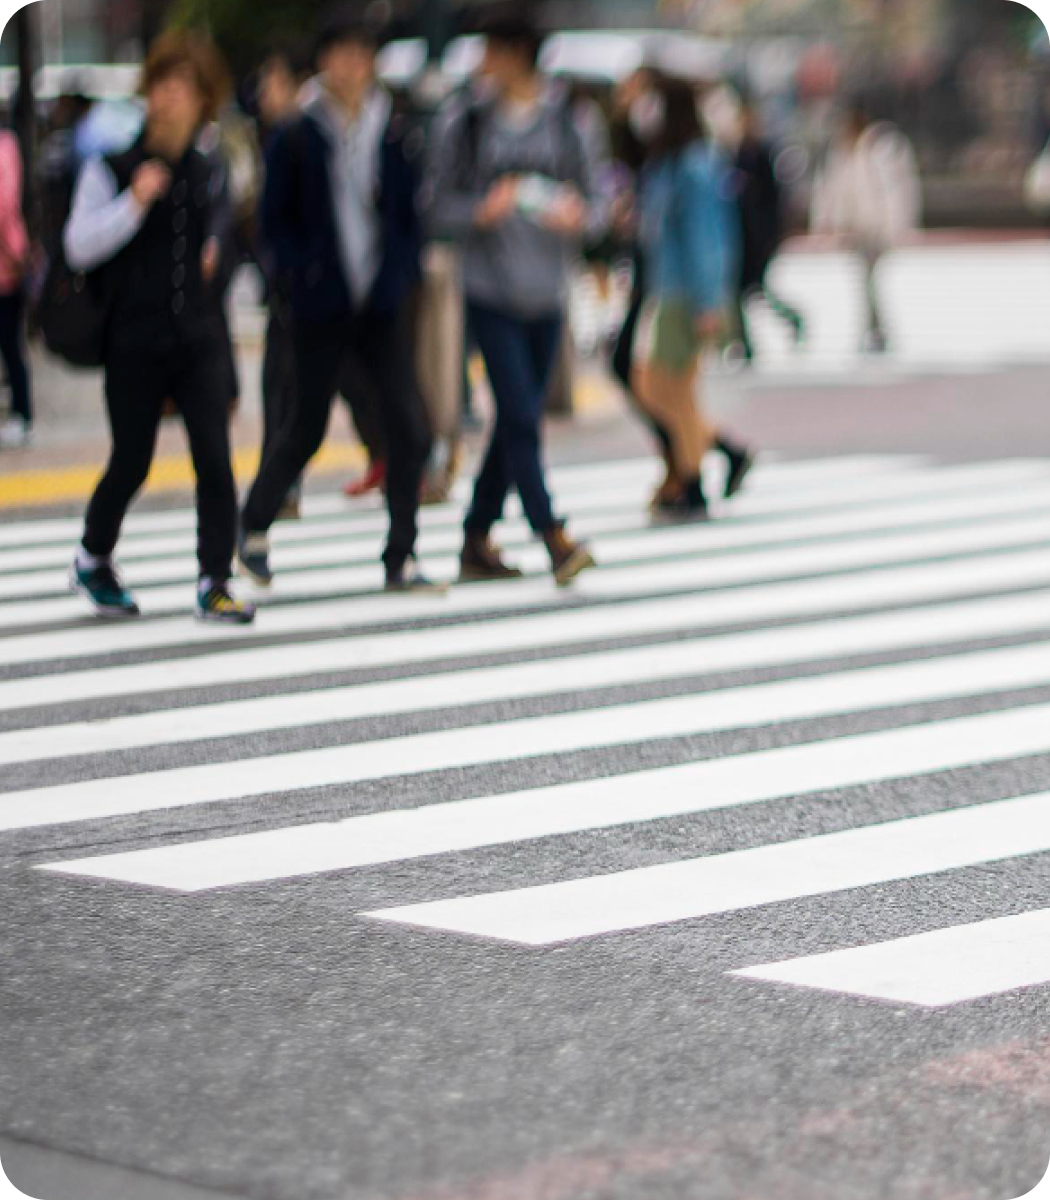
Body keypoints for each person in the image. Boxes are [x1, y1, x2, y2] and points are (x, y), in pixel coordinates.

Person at [238, 7, 437, 594]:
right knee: (306, 425)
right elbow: (271, 226)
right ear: (324, 62)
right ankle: (252, 526)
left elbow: (407, 218)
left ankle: (401, 552)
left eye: (361, 54)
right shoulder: (298, 132)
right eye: (341, 54)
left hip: (379, 304)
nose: (352, 66)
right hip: (320, 305)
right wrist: (299, 280)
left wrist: (399, 276)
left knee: (407, 423)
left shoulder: (392, 130)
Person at [65, 32, 255, 625]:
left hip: (198, 337)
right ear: (148, 92)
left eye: (188, 89)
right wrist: (134, 204)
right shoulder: (111, 167)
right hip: (133, 340)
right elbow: (77, 247)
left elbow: (228, 234)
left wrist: (218, 250)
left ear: (204, 101)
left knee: (215, 460)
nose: (173, 98)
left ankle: (215, 579)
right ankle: (93, 557)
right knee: (133, 459)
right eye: (165, 85)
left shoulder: (208, 170)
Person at [426, 11, 601, 586]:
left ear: (518, 53)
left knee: (513, 422)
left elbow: (596, 199)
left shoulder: (563, 121)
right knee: (523, 414)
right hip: (490, 291)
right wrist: (480, 211)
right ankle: (551, 534)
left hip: (547, 291)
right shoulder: (468, 122)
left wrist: (579, 214)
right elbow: (434, 207)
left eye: (492, 51)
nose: (482, 63)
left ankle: (476, 537)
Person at [632, 75, 752, 522]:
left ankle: (692, 479)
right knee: (659, 385)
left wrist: (707, 301)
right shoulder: (672, 162)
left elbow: (707, 239)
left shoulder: (695, 165)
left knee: (669, 387)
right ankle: (718, 455)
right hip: (670, 288)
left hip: (685, 294)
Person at [810, 101, 921, 354]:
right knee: (864, 281)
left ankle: (875, 329)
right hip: (856, 227)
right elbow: (831, 189)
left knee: (868, 281)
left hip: (876, 228)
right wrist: (828, 221)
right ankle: (873, 329)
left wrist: (897, 225)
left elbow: (895, 191)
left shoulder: (880, 149)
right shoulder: (842, 152)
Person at [731, 98, 805, 364]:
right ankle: (745, 342)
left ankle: (790, 318)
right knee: (745, 290)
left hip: (760, 236)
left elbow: (773, 199)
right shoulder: (737, 153)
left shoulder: (763, 154)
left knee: (754, 289)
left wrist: (770, 234)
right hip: (743, 235)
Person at [0, 126, 33, 449]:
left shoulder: (5, 145)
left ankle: (22, 414)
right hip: (10, 262)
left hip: (6, 266)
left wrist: (14, 253)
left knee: (10, 342)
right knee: (11, 343)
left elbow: (5, 206)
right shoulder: (9, 143)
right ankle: (21, 413)